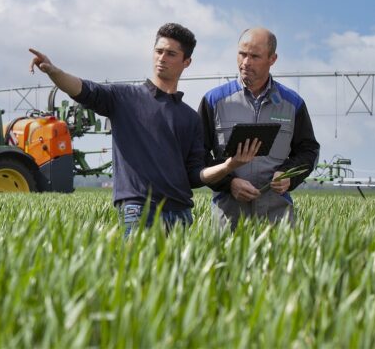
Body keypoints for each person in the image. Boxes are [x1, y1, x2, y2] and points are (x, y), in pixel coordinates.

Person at [29, 23, 261, 236]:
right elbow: (83, 89)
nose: (162, 58)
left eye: (171, 54)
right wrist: (53, 71)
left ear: (186, 62)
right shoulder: (123, 98)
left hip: (180, 214)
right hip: (138, 209)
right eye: (158, 51)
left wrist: (229, 165)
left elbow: (195, 175)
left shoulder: (190, 118)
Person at [198, 27, 320, 230]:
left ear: (272, 59)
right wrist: (229, 183)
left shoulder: (292, 104)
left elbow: (309, 151)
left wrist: (288, 175)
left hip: (277, 218)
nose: (246, 63)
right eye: (242, 54)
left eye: (254, 56)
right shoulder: (213, 101)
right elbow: (198, 155)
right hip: (228, 218)